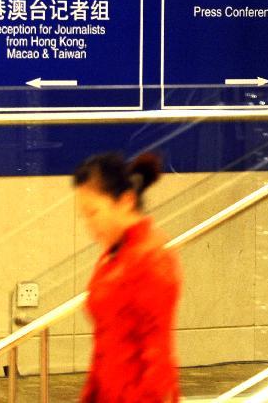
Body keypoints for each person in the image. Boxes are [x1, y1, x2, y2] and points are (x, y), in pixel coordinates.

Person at [74, 151, 181, 403]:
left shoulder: (151, 258)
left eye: (93, 213)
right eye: (84, 215)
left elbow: (157, 358)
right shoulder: (114, 254)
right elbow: (103, 345)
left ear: (125, 201)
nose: (89, 225)